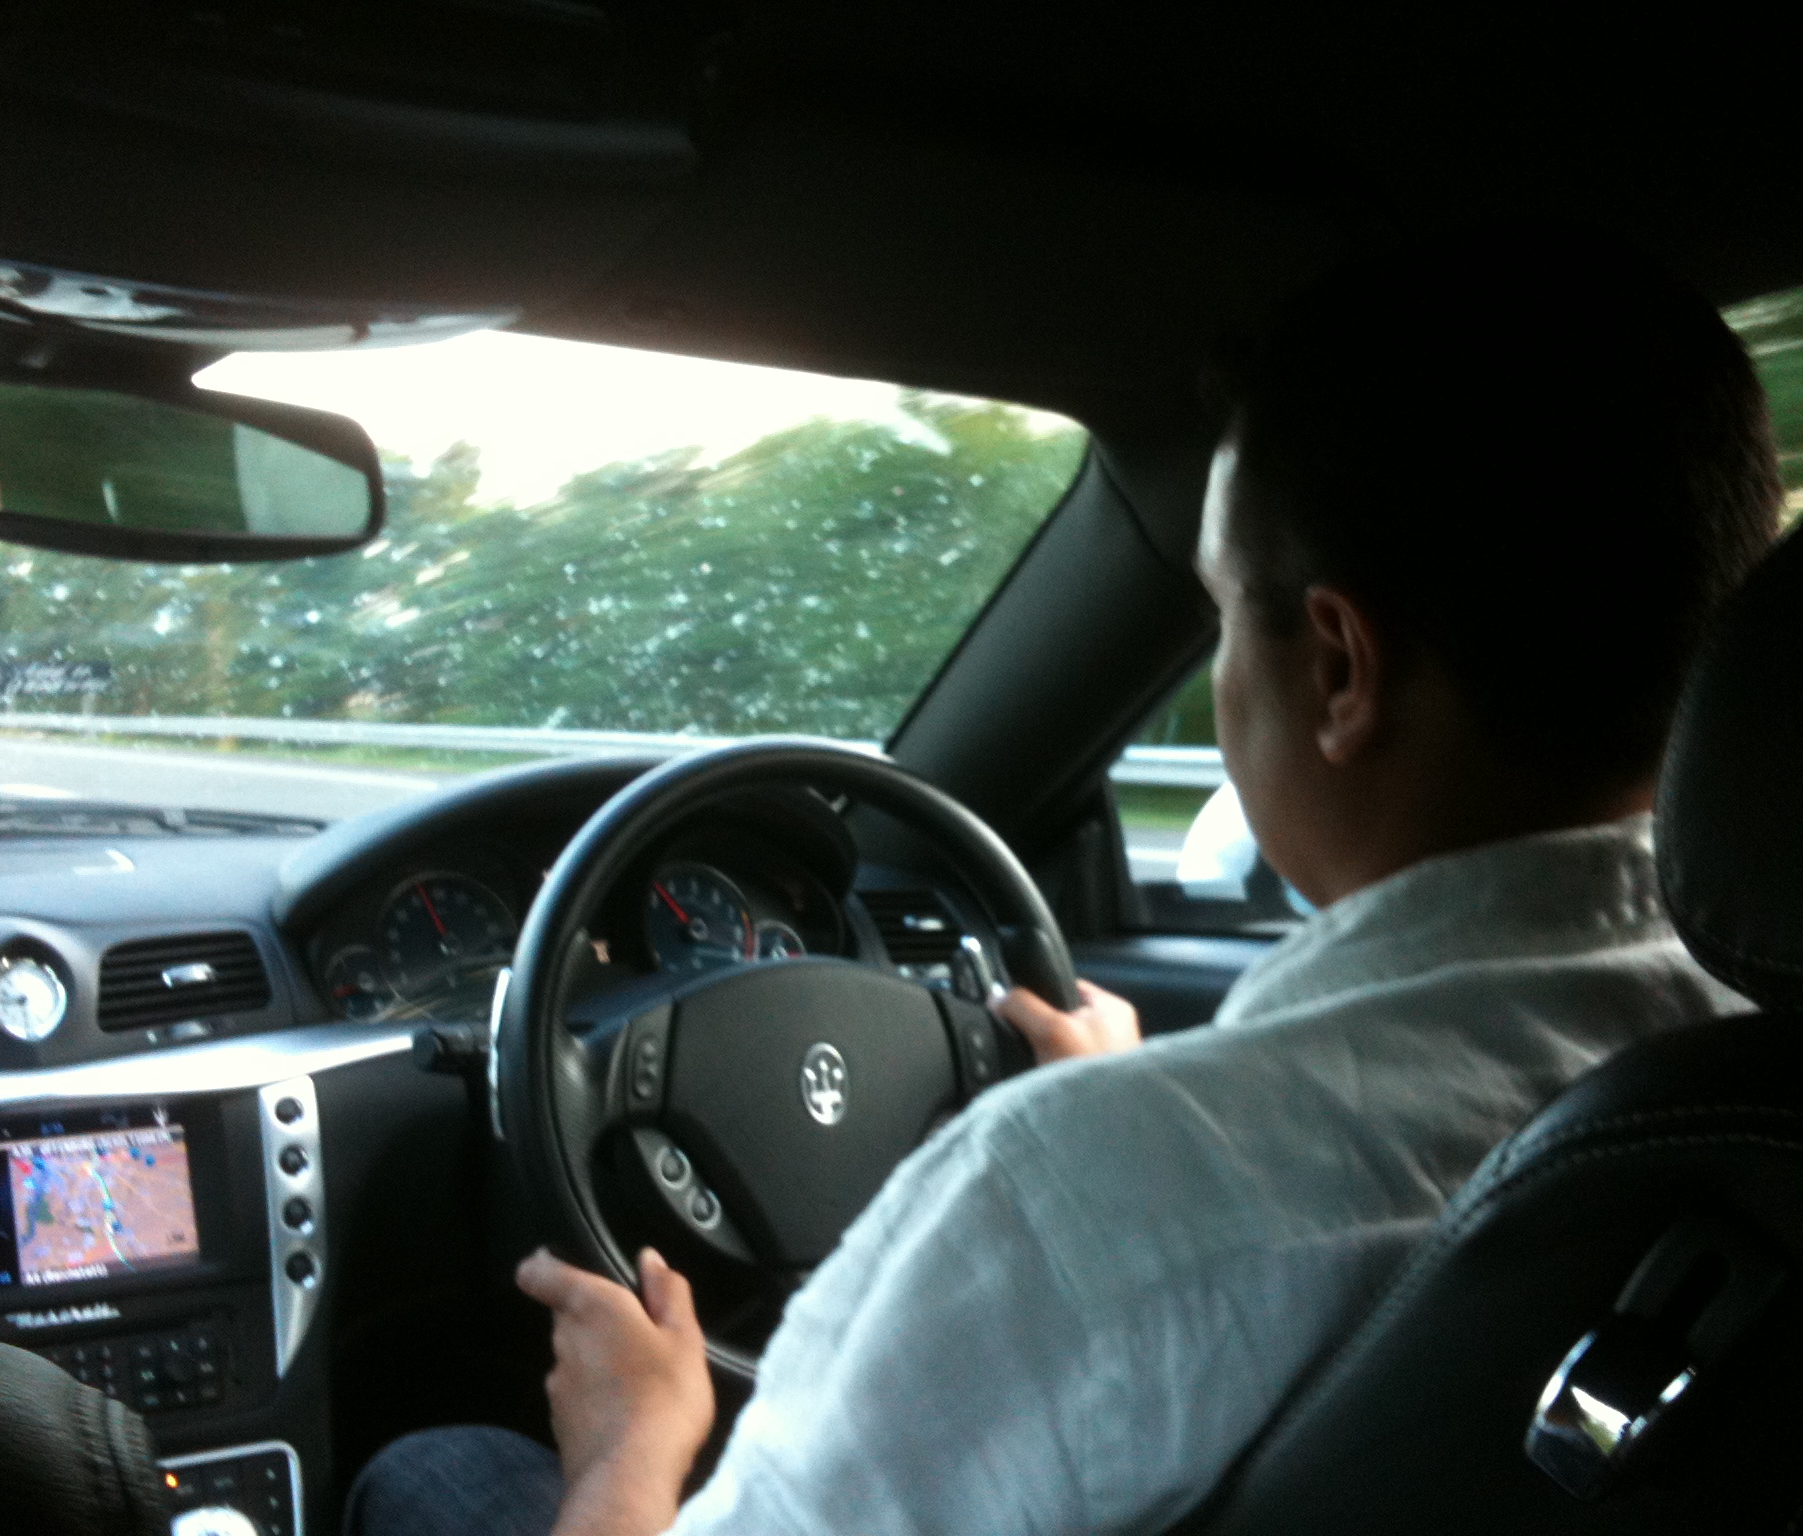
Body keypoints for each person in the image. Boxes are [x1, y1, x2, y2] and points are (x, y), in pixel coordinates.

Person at [345, 230, 1783, 1536]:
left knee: (435, 1472)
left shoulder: (1071, 1197)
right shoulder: (1746, 1076)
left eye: (1217, 611)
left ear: (1339, 670)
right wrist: (1157, 1102)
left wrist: (634, 1451)